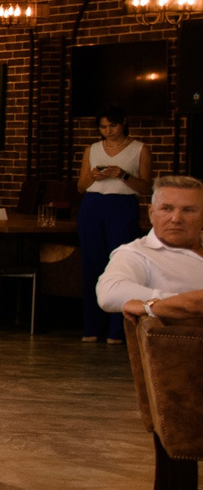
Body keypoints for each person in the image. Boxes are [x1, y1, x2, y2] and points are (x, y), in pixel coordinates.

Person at [78, 107, 151, 343]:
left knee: (121, 265)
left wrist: (122, 174)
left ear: (123, 124)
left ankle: (118, 331)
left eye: (113, 125)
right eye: (103, 127)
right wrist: (93, 176)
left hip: (122, 206)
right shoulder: (92, 149)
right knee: (92, 264)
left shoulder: (139, 148)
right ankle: (91, 326)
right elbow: (81, 186)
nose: (108, 131)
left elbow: (146, 188)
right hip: (92, 205)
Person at [97, 173, 203, 321]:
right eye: (167, 208)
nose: (176, 219)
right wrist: (181, 304)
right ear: (151, 213)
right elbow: (109, 293)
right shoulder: (136, 253)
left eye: (188, 210)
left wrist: (153, 306)